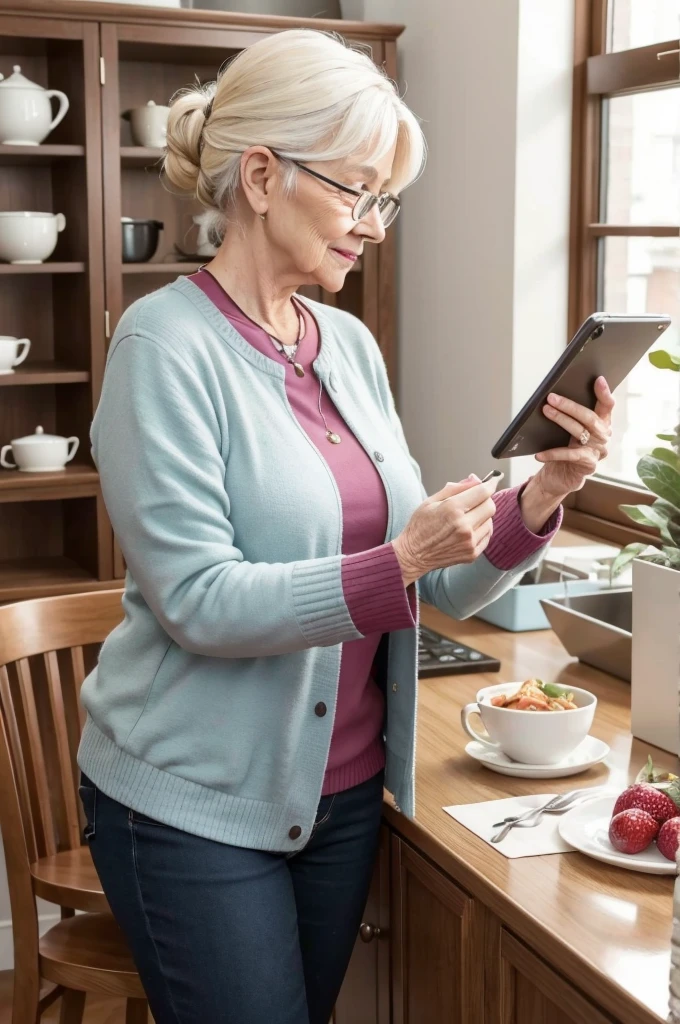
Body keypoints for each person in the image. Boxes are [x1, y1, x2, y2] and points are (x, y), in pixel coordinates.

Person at [77, 28, 614, 1024]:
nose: (373, 223)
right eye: (356, 190)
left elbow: (424, 588)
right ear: (262, 174)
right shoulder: (161, 344)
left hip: (345, 795)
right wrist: (402, 553)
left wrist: (536, 497)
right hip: (190, 805)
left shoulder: (349, 345)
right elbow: (199, 601)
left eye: (385, 199)